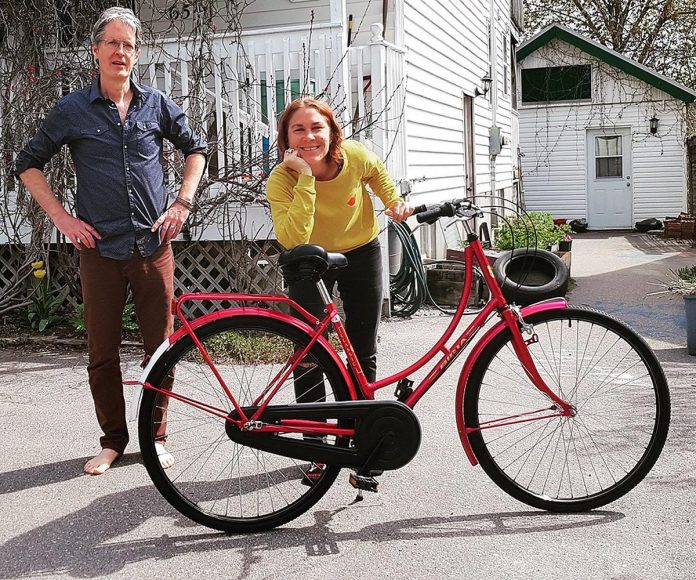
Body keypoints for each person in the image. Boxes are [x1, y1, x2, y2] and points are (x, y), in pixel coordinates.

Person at [15, 7, 207, 475]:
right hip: (98, 251)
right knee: (102, 354)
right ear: (96, 51)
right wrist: (62, 217)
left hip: (152, 246)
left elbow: (196, 148)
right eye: (112, 43)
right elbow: (28, 162)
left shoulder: (157, 104)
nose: (120, 52)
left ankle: (155, 437)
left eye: (129, 45)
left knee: (159, 350)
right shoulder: (72, 109)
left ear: (136, 54)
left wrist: (181, 203)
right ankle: (113, 441)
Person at [266, 97, 412, 396]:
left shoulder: (354, 155)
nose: (309, 137)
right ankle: (313, 432)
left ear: (333, 132)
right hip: (308, 261)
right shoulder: (281, 180)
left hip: (361, 251)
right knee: (309, 350)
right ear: (286, 138)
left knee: (362, 347)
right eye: (298, 129)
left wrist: (392, 200)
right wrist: (306, 178)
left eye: (317, 127)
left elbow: (377, 172)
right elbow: (294, 239)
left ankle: (357, 426)